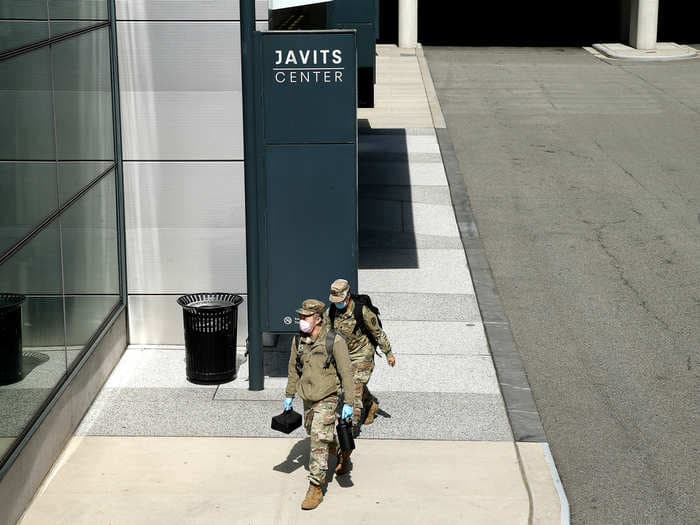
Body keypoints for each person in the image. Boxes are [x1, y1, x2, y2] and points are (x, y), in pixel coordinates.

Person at [283, 298, 354, 511]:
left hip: (328, 396)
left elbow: (346, 373)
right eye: (301, 316)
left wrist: (349, 402)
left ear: (318, 318)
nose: (302, 320)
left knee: (318, 439)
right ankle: (341, 450)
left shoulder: (334, 341)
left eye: (306, 317)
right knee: (312, 430)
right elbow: (293, 369)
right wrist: (289, 395)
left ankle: (315, 487)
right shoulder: (298, 341)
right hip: (308, 397)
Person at [326, 279, 395, 429]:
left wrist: (388, 353)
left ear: (348, 296)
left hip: (363, 353)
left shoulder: (362, 311)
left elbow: (378, 333)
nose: (338, 303)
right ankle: (370, 403)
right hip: (344, 354)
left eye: (341, 300)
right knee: (349, 385)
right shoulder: (331, 311)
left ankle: (350, 427)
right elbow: (325, 332)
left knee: (354, 387)